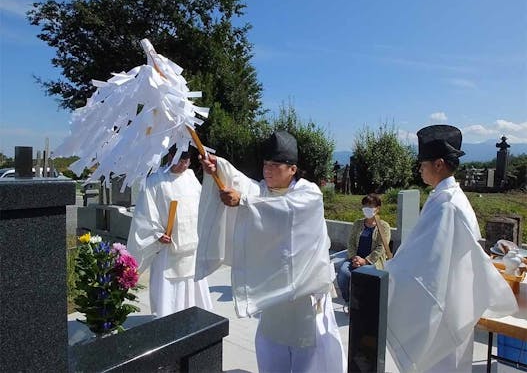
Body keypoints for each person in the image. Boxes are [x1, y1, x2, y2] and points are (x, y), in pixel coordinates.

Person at [196, 131, 346, 373]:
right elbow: (242, 185)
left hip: (303, 293)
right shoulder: (263, 192)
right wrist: (217, 168)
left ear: (292, 169)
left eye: (275, 165)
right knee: (273, 344)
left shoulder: (309, 194)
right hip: (274, 292)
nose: (268, 170)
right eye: (266, 164)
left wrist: (243, 202)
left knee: (306, 351)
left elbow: (285, 211)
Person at [384, 125, 518, 372]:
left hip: (446, 307)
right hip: (456, 302)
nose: (420, 169)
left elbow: (425, 261)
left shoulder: (447, 205)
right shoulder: (449, 197)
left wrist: (388, 274)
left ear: (439, 164)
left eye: (423, 164)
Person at [127, 148, 213, 318]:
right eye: (181, 160)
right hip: (167, 247)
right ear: (171, 156)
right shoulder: (155, 181)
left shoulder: (190, 177)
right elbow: (145, 213)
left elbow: (202, 204)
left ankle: (195, 316)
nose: (184, 165)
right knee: (169, 290)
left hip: (192, 246)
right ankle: (167, 318)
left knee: (192, 282)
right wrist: (157, 233)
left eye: (187, 161)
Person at [336, 194, 390, 309]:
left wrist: (365, 261)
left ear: (378, 208)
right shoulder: (358, 223)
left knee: (364, 276)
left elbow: (381, 247)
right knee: (343, 273)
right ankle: (349, 302)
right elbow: (350, 242)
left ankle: (363, 306)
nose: (367, 209)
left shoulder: (384, 226)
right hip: (354, 259)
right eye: (365, 206)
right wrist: (354, 257)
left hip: (372, 262)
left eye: (371, 206)